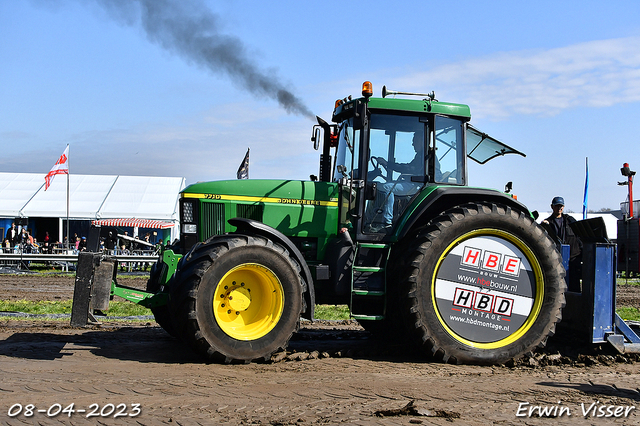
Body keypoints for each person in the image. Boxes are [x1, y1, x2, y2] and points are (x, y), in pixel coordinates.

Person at [366, 133, 424, 232]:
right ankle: (369, 218)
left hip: (417, 184)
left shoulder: (424, 157)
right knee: (382, 185)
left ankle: (386, 222)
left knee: (387, 187)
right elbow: (409, 168)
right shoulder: (420, 156)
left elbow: (409, 168)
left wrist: (388, 164)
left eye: (415, 141)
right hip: (413, 182)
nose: (413, 144)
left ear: (422, 142)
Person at [541, 196, 583, 292]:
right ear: (552, 207)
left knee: (574, 286)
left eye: (561, 206)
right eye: (557, 206)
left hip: (573, 259)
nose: (559, 208)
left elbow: (579, 236)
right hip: (556, 260)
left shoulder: (570, 221)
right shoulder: (547, 223)